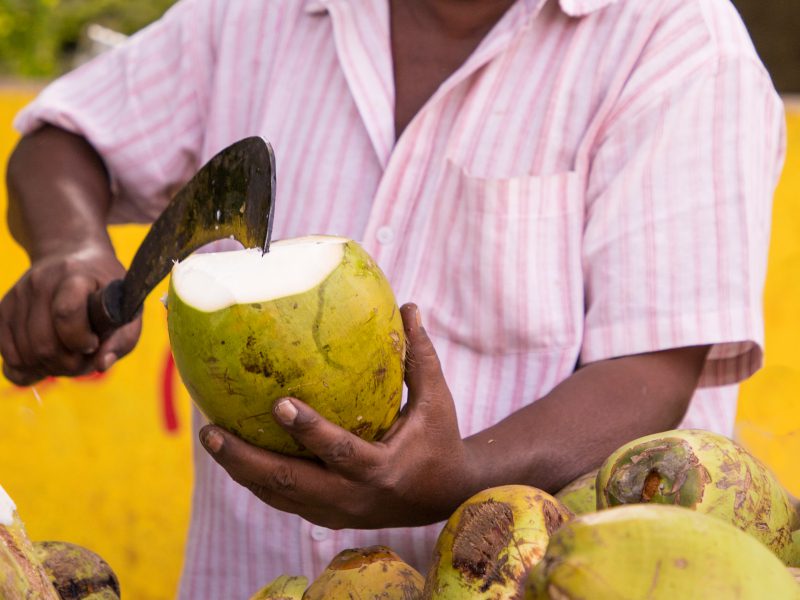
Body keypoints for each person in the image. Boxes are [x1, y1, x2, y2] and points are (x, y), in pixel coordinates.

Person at [0, 0, 785, 597]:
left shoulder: (678, 42)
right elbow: (65, 142)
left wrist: (457, 476)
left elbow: (650, 371)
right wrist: (71, 246)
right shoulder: (252, 14)